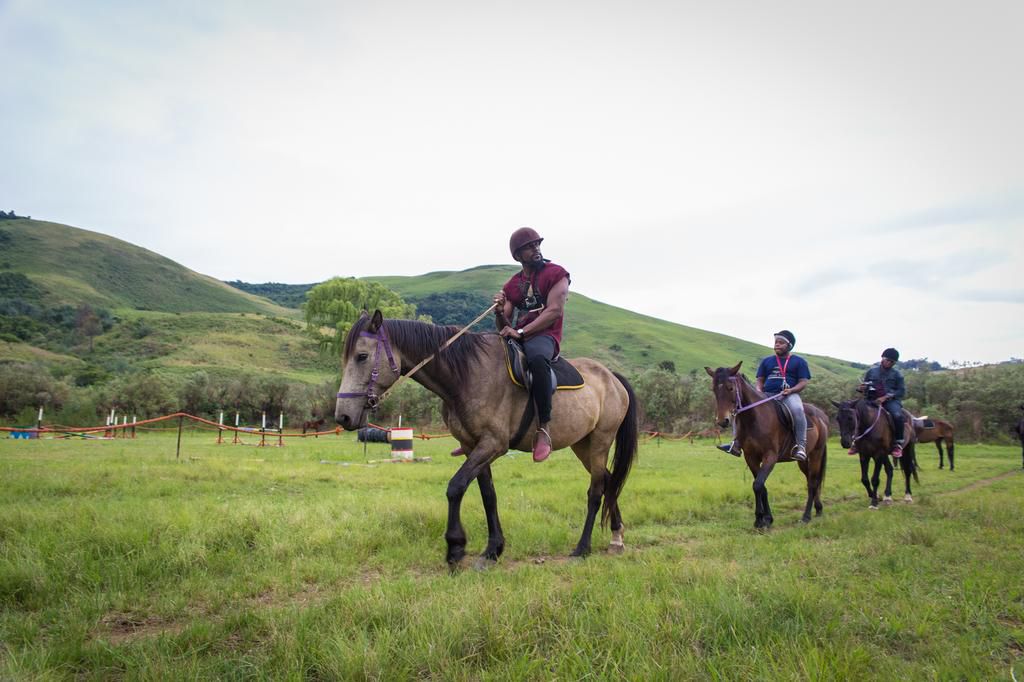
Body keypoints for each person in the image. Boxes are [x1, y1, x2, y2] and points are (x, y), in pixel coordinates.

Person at [495, 227, 570, 462]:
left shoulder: (557, 273)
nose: (536, 248)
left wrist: (521, 331)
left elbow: (555, 311)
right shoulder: (512, 285)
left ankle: (544, 429)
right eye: (529, 247)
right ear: (518, 256)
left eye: (537, 244)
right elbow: (503, 323)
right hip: (519, 335)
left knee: (537, 360)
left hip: (545, 336)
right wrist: (499, 311)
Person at [717, 329, 810, 462]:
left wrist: (792, 390)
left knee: (798, 410)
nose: (777, 345)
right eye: (776, 342)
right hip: (767, 394)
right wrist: (759, 391)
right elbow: (760, 380)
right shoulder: (767, 361)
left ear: (789, 346)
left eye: (781, 343)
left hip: (789, 395)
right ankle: (736, 443)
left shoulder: (799, 362)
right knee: (740, 410)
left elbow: (803, 382)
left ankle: (801, 446)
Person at [853, 347, 906, 458]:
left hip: (890, 402)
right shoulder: (871, 371)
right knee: (857, 412)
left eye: (892, 362)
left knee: (897, 416)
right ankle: (856, 441)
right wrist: (861, 388)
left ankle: (898, 443)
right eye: (888, 360)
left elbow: (901, 391)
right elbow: (865, 385)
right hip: (871, 400)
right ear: (883, 358)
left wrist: (886, 397)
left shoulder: (897, 375)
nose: (890, 363)